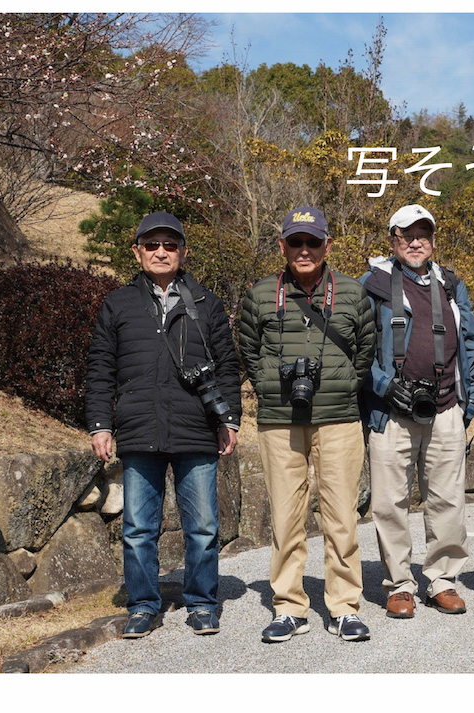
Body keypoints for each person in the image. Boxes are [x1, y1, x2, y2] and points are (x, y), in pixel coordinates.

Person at [85, 211, 242, 639]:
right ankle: (142, 605)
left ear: (183, 252)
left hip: (197, 428)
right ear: (137, 251)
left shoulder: (207, 303)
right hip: (139, 429)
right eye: (151, 244)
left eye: (170, 245)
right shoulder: (119, 303)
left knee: (203, 527)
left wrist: (230, 419)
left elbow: (227, 366)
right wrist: (100, 424)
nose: (160, 252)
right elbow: (100, 368)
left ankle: (203, 602)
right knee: (138, 529)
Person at [239, 206, 375, 643]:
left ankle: (344, 607)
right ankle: (289, 607)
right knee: (285, 517)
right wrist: (268, 383)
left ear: (327, 245)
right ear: (282, 245)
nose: (304, 250)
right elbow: (248, 349)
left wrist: (344, 384)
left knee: (341, 517)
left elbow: (366, 349)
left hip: (339, 419)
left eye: (312, 241)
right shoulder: (262, 293)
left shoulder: (351, 292)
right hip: (279, 420)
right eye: (295, 241)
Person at [360, 204, 474, 619]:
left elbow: (470, 344)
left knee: (447, 500)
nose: (415, 243)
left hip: (445, 405)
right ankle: (399, 584)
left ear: (432, 240)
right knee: (389, 503)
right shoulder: (373, 284)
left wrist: (469, 402)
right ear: (392, 240)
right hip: (390, 410)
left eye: (423, 235)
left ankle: (443, 581)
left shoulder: (451, 284)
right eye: (406, 235)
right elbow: (357, 348)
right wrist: (385, 386)